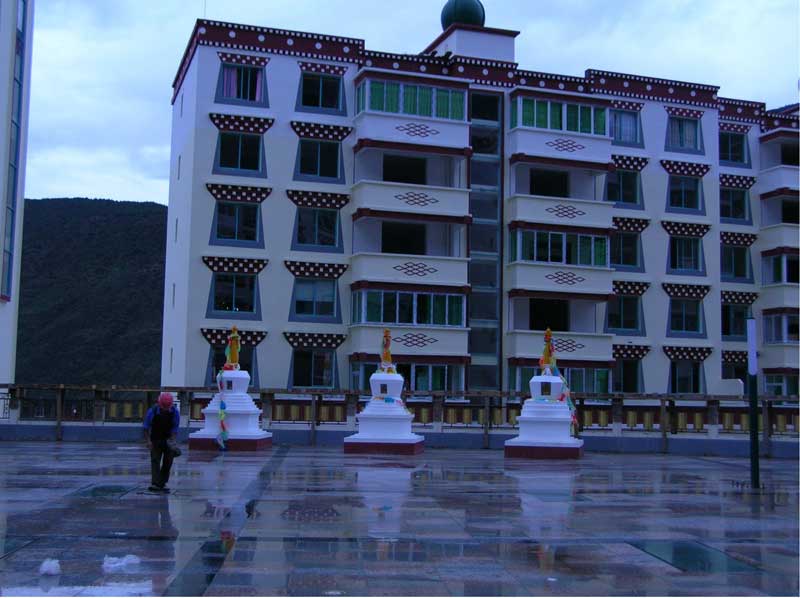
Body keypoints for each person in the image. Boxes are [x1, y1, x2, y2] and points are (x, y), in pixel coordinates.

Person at [143, 392, 180, 493]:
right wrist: (148, 441)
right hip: (155, 439)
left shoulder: (175, 412)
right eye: (164, 407)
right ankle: (155, 483)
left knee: (168, 461)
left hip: (168, 440)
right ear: (160, 404)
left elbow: (175, 428)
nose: (165, 409)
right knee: (155, 461)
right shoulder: (152, 411)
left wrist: (172, 441)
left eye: (167, 407)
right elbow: (146, 428)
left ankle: (162, 482)